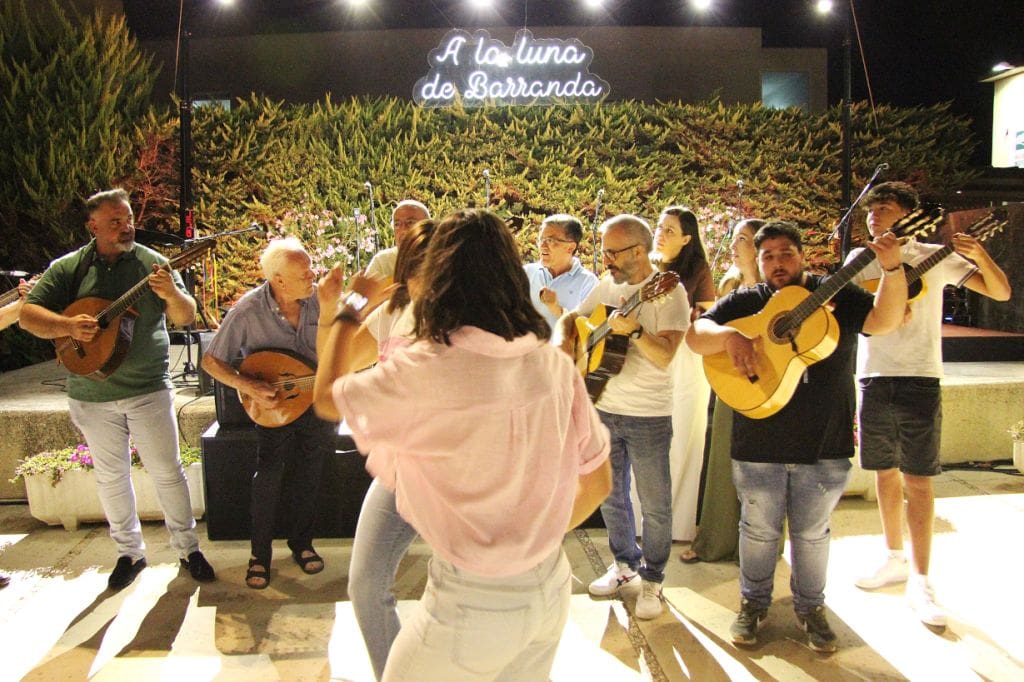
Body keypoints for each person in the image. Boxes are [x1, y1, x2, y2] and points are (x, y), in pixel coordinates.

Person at [313, 208, 611, 681]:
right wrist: (528, 543)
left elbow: (328, 398)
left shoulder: (429, 365)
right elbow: (597, 483)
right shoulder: (551, 363)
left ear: (440, 275)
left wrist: (349, 308)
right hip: (550, 586)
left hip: (476, 599)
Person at [686, 221, 907, 652]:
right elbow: (697, 336)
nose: (777, 263)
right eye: (767, 256)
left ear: (803, 255)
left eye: (785, 253)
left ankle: (811, 609)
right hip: (758, 438)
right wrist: (730, 336)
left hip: (824, 439)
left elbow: (885, 320)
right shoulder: (749, 300)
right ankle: (752, 606)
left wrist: (893, 269)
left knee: (812, 533)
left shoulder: (835, 292)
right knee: (757, 530)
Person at [20, 188, 215, 590]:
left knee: (167, 472)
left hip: (147, 389)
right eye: (115, 221)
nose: (126, 227)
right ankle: (130, 554)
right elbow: (28, 316)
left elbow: (185, 316)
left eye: (128, 220)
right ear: (92, 226)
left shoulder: (152, 263)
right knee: (111, 476)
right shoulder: (70, 268)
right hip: (91, 394)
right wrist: (68, 326)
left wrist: (171, 293)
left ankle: (188, 549)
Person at [849, 182, 1011, 627]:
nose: (873, 216)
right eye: (870, 209)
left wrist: (980, 255)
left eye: (884, 208)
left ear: (909, 214)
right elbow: (852, 311)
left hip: (920, 374)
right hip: (873, 374)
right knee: (883, 472)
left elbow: (1000, 293)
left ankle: (921, 579)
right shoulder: (859, 258)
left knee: (918, 479)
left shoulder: (934, 256)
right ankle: (893, 557)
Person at [558, 213, 690, 620]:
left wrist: (634, 331)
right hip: (603, 407)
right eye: (604, 252)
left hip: (648, 414)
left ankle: (654, 578)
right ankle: (624, 565)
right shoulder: (607, 284)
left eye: (612, 252)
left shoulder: (669, 292)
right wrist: (569, 342)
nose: (606, 260)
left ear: (638, 251)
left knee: (654, 503)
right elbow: (574, 318)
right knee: (611, 496)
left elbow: (665, 355)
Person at [325, 219, 435, 680]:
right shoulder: (394, 312)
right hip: (400, 466)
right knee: (365, 585)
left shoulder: (474, 321)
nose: (427, 279)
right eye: (418, 268)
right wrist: (347, 306)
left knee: (463, 597)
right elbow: (334, 369)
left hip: (459, 472)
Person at [200, 237, 336, 589]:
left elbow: (350, 334)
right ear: (279, 280)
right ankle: (259, 555)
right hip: (272, 407)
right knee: (270, 476)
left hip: (316, 402)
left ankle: (302, 544)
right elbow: (211, 361)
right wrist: (248, 386)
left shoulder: (321, 301)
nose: (313, 275)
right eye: (304, 272)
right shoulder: (247, 311)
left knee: (310, 473)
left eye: (311, 268)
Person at [680, 218, 764, 563]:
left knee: (764, 468)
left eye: (742, 238)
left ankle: (759, 546)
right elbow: (707, 329)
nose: (733, 244)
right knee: (722, 460)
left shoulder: (778, 291)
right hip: (731, 379)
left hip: (769, 382)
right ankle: (716, 540)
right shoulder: (730, 285)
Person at [649, 206, 714, 542]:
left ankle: (678, 526)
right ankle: (645, 523)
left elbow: (706, 315)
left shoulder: (697, 270)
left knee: (683, 436)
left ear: (687, 239)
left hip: (686, 359)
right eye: (660, 227)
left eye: (670, 230)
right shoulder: (645, 267)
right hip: (649, 357)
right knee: (649, 440)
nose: (661, 234)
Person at [524, 213, 598, 330]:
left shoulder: (588, 283)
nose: (543, 246)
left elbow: (588, 332)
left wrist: (557, 309)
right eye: (541, 240)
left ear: (571, 247)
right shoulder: (527, 272)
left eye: (550, 240)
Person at [365, 200, 430, 280]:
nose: (403, 230)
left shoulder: (439, 259)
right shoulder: (382, 262)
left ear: (427, 226)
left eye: (410, 223)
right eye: (397, 224)